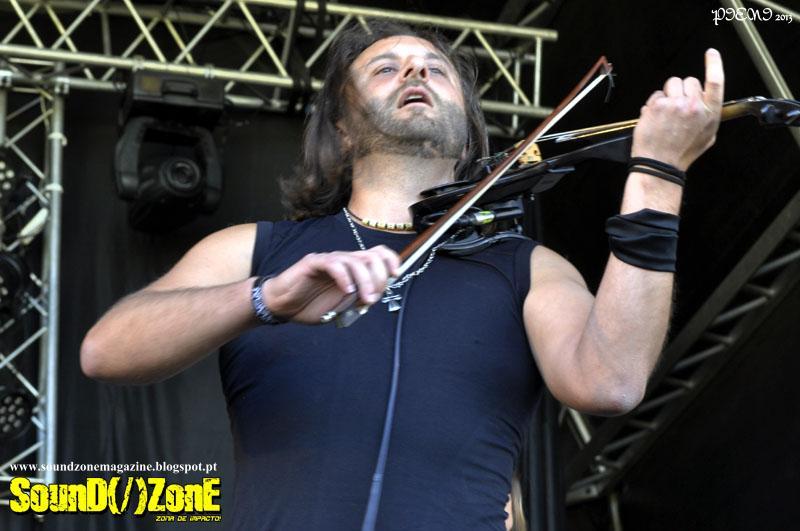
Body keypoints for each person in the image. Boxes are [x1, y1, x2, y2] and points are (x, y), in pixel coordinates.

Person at [80, 21, 724, 531]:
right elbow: (106, 350)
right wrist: (264, 298)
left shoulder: (527, 266)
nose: (416, 71)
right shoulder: (256, 250)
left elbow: (611, 381)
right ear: (341, 128)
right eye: (385, 68)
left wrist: (657, 176)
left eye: (435, 69)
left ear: (468, 128)